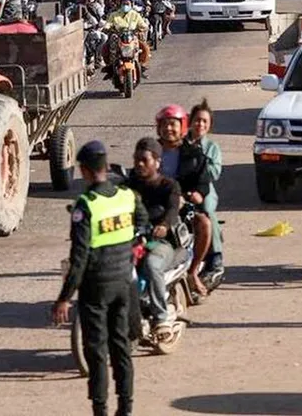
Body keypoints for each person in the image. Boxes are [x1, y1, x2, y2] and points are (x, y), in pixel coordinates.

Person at [52, 141, 146, 416]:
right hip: (123, 282)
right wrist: (132, 245)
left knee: (97, 352)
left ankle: (101, 410)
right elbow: (142, 224)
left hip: (96, 287)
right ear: (105, 167)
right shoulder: (126, 196)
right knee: (121, 348)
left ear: (84, 170)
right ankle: (126, 408)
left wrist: (64, 298)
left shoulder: (86, 205)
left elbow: (78, 257)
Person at [124, 139, 182, 333]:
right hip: (131, 240)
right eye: (136, 160)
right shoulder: (127, 186)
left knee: (151, 265)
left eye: (144, 160)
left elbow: (173, 210)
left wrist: (164, 225)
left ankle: (160, 318)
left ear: (157, 162)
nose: (139, 164)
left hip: (161, 243)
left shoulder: (169, 186)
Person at [154, 106, 212, 298]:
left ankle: (193, 271)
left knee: (204, 224)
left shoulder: (194, 155)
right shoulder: (150, 151)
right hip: (153, 206)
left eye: (172, 124)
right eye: (164, 124)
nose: (168, 129)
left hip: (183, 206)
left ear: (182, 127)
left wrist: (196, 194)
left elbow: (203, 183)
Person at [187, 101, 224, 275]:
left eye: (204, 121)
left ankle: (215, 255)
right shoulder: (181, 143)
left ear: (209, 126)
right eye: (197, 120)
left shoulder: (212, 148)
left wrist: (199, 162)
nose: (200, 124)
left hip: (204, 189)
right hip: (181, 187)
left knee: (208, 211)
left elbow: (214, 173)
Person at [104, 0, 151, 72]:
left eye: (127, 4)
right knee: (110, 42)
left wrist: (143, 28)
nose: (125, 6)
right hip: (118, 35)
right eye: (123, 3)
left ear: (131, 5)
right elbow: (108, 23)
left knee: (143, 47)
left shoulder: (135, 15)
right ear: (120, 4)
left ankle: (140, 64)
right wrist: (107, 28)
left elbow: (143, 25)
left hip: (132, 35)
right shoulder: (114, 14)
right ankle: (111, 64)